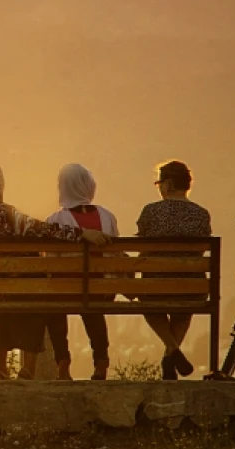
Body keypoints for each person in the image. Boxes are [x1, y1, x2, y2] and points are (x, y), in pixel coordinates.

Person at [0, 163, 111, 380]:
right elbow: (44, 230)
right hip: (10, 291)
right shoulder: (5, 214)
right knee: (32, 285)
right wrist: (82, 234)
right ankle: (28, 367)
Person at [135, 160, 212, 380]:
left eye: (158, 182)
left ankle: (173, 351)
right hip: (191, 287)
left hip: (154, 288)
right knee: (184, 309)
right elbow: (200, 250)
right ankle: (171, 354)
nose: (158, 187)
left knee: (150, 307)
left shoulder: (150, 212)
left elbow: (143, 250)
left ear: (168, 184)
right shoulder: (201, 214)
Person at [43, 163, 118, 381]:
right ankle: (101, 362)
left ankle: (63, 361)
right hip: (98, 290)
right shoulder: (108, 217)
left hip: (64, 291)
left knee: (55, 307)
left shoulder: (55, 220)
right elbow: (115, 257)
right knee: (93, 307)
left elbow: (50, 263)